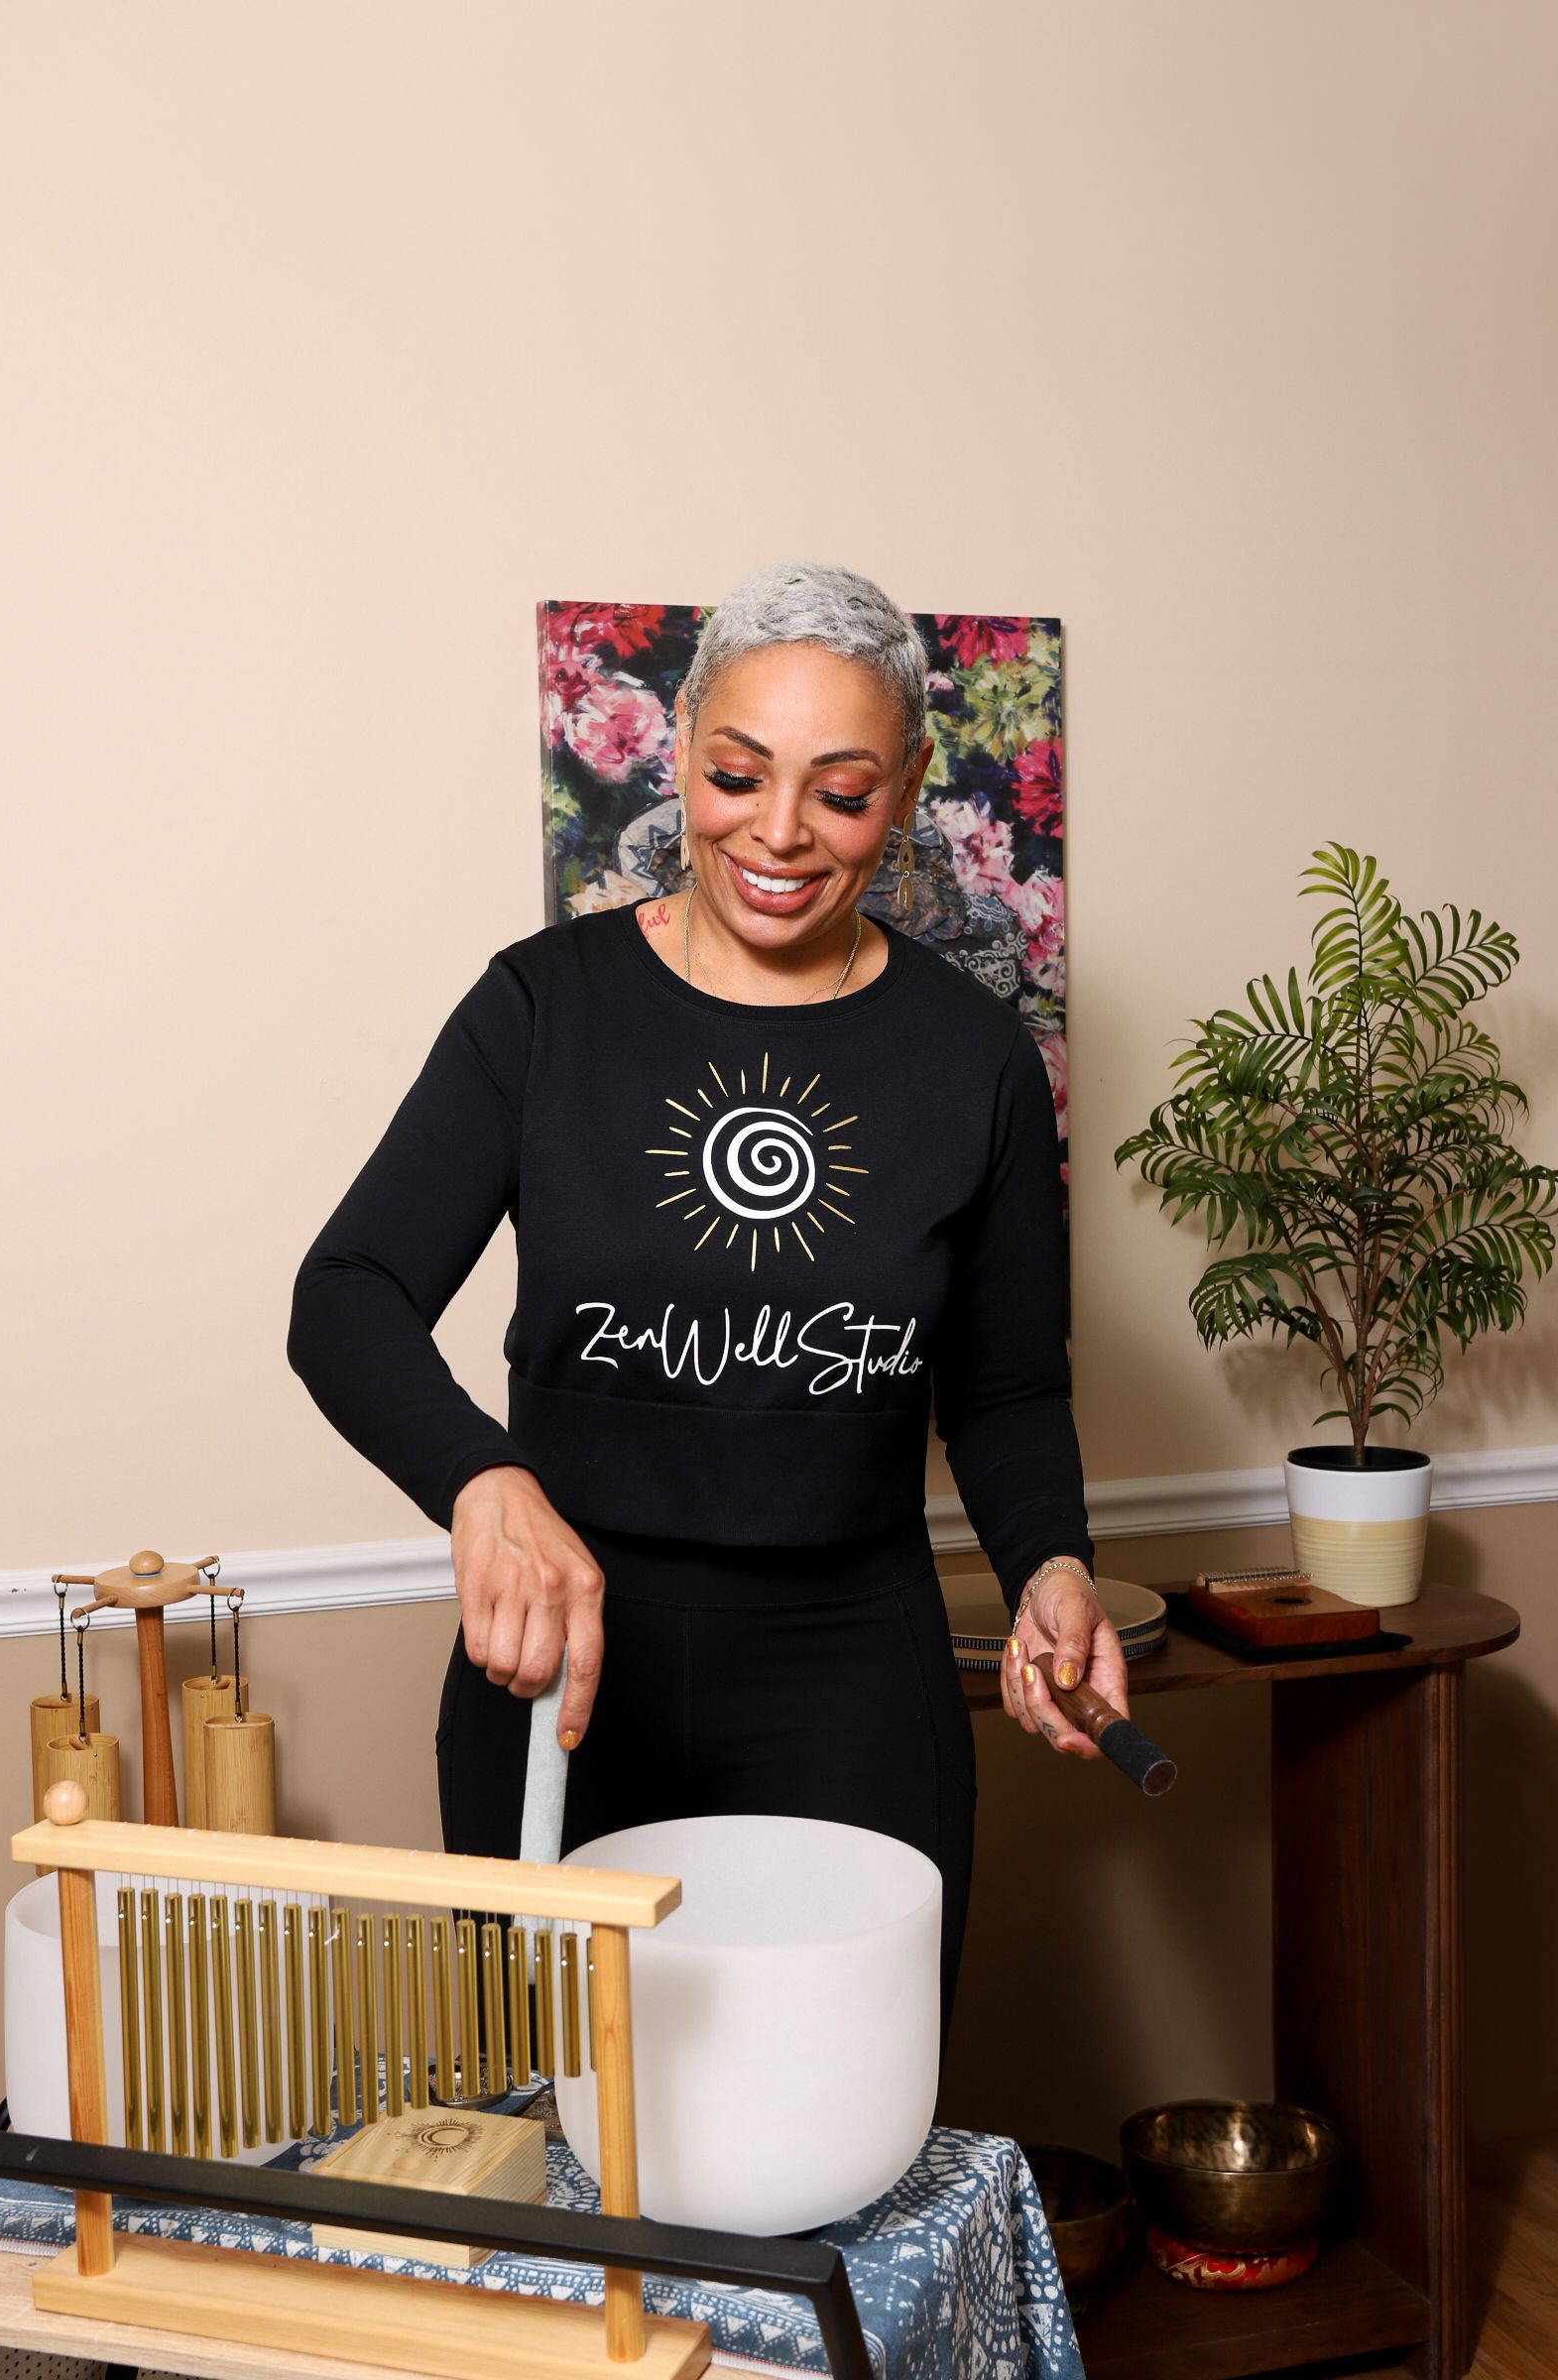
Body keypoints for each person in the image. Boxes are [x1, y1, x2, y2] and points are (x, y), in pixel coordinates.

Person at [286, 560, 1128, 2042]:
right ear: (679, 745)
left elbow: (1004, 1392)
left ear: (914, 785)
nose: (780, 833)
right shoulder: (541, 1009)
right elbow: (344, 1293)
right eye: (738, 774)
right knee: (569, 2157)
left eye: (845, 792)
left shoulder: (973, 1058)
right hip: (563, 1664)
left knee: (841, 2151)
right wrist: (481, 1480)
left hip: (855, 1670)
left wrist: (1053, 1565)